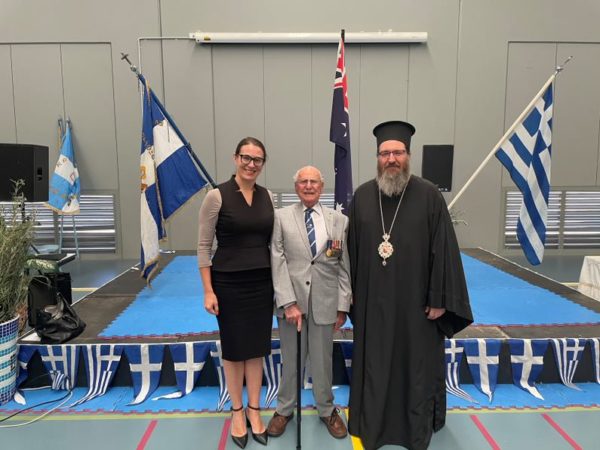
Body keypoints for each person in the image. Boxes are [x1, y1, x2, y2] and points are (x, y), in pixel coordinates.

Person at [347, 121, 473, 450]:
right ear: (377, 157)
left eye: (398, 152)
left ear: (408, 155)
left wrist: (440, 297)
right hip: (373, 305)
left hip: (418, 305)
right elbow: (351, 254)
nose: (391, 159)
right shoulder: (362, 197)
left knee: (414, 366)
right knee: (375, 365)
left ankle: (414, 428)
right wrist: (351, 299)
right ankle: (374, 424)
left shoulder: (429, 195)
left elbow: (444, 250)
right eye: (385, 153)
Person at [197, 137, 273, 449]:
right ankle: (237, 411)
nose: (251, 164)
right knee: (234, 349)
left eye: (258, 160)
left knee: (256, 349)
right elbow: (203, 247)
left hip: (262, 283)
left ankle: (255, 408)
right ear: (235, 158)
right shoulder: (216, 196)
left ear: (262, 164)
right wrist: (208, 291)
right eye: (246, 158)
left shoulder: (267, 196)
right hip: (228, 284)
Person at [268, 166, 351, 440]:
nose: (308, 186)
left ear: (321, 186)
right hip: (292, 304)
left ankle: (327, 409)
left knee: (323, 361)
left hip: (326, 303)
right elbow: (277, 261)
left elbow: (344, 265)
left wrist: (342, 305)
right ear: (296, 187)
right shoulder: (280, 217)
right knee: (291, 360)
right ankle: (284, 409)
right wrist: (287, 302)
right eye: (303, 181)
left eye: (313, 181)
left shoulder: (339, 220)